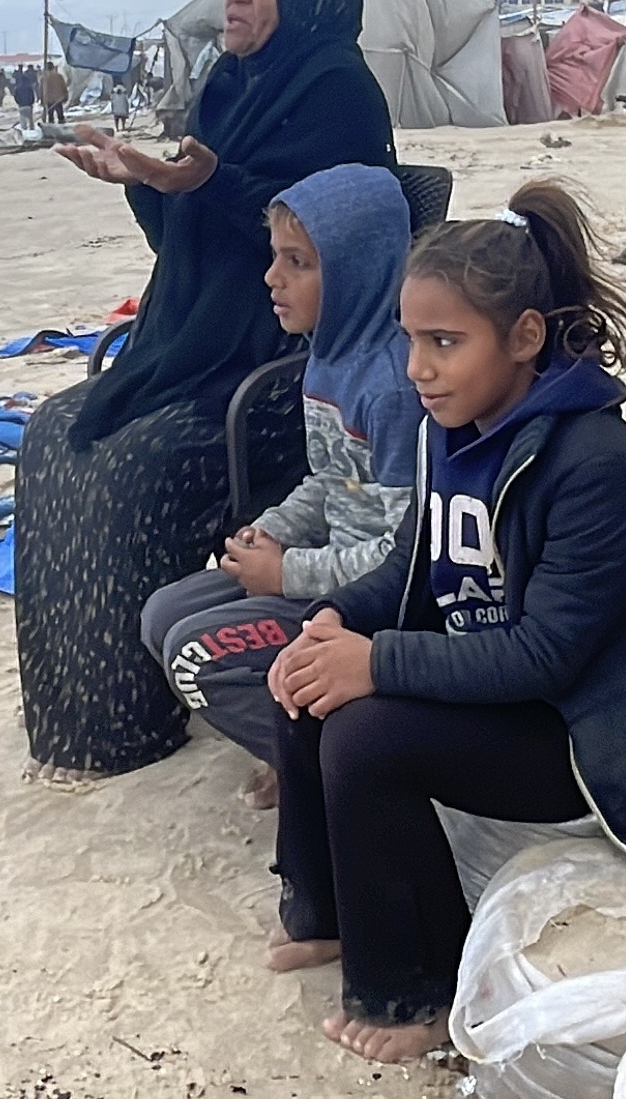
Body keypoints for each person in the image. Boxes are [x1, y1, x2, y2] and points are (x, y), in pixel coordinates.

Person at [263, 180, 626, 1063]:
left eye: (445, 342)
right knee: (309, 677)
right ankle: (327, 914)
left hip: (612, 746)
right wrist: (331, 623)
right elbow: (410, 567)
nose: (418, 370)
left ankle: (420, 989)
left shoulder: (597, 468)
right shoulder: (454, 428)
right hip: (522, 694)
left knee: (366, 736)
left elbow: (546, 656)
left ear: (525, 339)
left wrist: (379, 663)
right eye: (411, 340)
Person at [17, 0, 395, 775]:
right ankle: (80, 715)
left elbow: (316, 236)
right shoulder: (227, 84)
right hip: (194, 335)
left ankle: (132, 720)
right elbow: (183, 237)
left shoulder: (339, 89)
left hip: (268, 359)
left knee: (127, 468)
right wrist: (146, 183)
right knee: (50, 436)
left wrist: (207, 181)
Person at [141, 163, 423, 804]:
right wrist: (270, 533)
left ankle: (325, 768)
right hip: (323, 568)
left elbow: (405, 555)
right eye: (276, 257)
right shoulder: (329, 356)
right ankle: (293, 737)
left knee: (193, 651)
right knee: (162, 614)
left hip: (374, 602)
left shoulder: (394, 390)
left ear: (353, 272)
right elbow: (328, 482)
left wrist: (287, 573)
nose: (272, 277)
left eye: (298, 262)